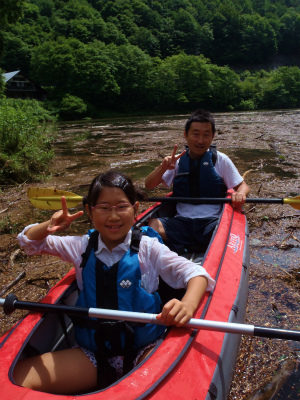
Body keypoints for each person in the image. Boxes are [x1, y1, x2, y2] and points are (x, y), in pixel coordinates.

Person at [14, 170, 215, 395]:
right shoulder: (80, 247)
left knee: (173, 389)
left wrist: (186, 304)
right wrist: (49, 226)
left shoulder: (150, 248)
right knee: (19, 377)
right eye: (104, 208)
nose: (113, 216)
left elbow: (196, 274)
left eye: (121, 207)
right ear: (90, 211)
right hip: (91, 355)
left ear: (135, 209)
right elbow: (29, 243)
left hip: (145, 349)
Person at [145, 109, 250, 253]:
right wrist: (162, 168)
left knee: (224, 233)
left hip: (212, 223)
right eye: (195, 134)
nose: (200, 140)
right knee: (150, 225)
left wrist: (240, 194)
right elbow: (149, 185)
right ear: (186, 135)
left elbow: (242, 186)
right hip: (181, 222)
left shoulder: (221, 160)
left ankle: (191, 246)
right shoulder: (177, 161)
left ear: (212, 137)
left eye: (206, 135)